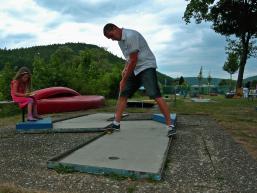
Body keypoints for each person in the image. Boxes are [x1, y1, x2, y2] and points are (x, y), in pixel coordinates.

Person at [103, 23, 175, 137]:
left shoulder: (131, 35)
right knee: (123, 93)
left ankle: (170, 126)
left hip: (146, 66)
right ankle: (116, 123)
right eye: (109, 38)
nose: (112, 39)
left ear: (115, 28)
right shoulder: (120, 41)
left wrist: (124, 79)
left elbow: (133, 59)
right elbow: (128, 59)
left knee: (155, 94)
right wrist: (124, 70)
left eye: (111, 36)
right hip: (135, 68)